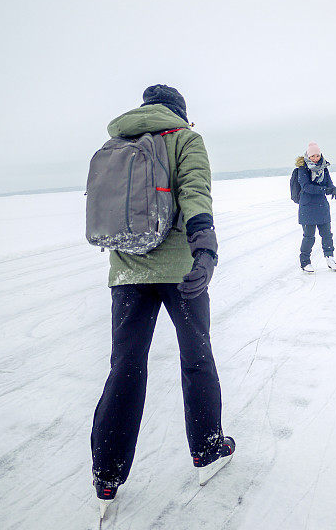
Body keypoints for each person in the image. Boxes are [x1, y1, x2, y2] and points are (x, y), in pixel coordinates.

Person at [90, 85, 234, 518]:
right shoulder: (186, 138)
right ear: (180, 112)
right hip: (180, 272)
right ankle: (208, 450)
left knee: (126, 366)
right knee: (196, 357)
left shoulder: (118, 140)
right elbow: (194, 192)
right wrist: (204, 248)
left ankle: (107, 475)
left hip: (127, 270)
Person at [295, 142, 336, 272]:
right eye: (313, 156)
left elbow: (329, 183)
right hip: (307, 206)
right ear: (308, 156)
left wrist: (334, 189)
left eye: (317, 155)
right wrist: (325, 189)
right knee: (309, 236)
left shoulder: (323, 168)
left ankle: (330, 258)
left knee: (327, 235)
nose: (315, 158)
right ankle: (305, 262)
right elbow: (306, 187)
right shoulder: (302, 169)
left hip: (321, 206)